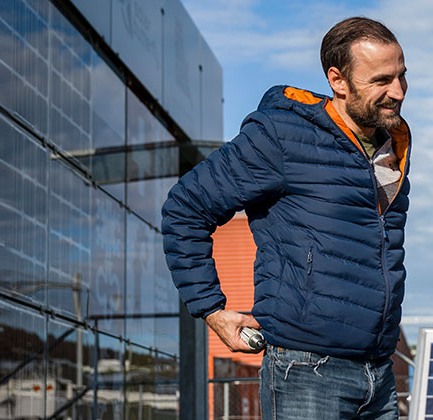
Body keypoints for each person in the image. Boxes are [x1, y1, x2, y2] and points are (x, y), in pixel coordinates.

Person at [161, 17, 410, 420]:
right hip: (306, 373)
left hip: (379, 374)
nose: (397, 91)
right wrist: (211, 309)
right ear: (338, 80)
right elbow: (185, 208)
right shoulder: (281, 136)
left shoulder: (392, 148)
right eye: (381, 80)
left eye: (401, 76)